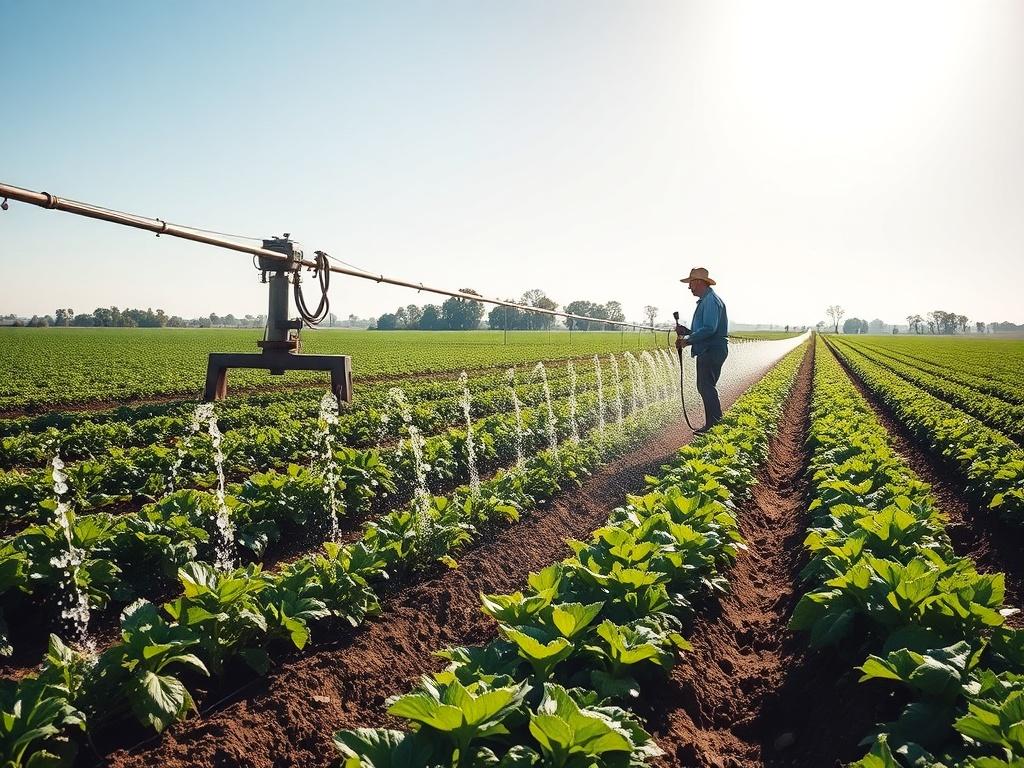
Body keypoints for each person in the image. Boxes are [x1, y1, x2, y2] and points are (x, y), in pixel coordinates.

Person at [675, 267, 728, 433]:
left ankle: (714, 425)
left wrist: (688, 340)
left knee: (705, 386)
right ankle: (714, 424)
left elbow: (709, 329)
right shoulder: (707, 300)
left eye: (690, 283)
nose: (689, 287)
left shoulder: (710, 301)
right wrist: (687, 331)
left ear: (698, 282)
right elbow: (705, 329)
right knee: (706, 386)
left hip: (711, 349)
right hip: (710, 348)